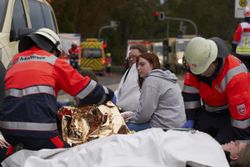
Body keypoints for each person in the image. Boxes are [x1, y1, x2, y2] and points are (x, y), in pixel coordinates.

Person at [0, 28, 114, 157]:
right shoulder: (53, 62)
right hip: (39, 131)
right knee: (69, 156)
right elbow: (87, 90)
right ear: (52, 48)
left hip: (8, 131)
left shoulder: (14, 62)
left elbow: (29, 99)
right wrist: (108, 95)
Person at [182, 36, 250, 144]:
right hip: (208, 112)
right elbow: (190, 95)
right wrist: (191, 118)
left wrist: (242, 142)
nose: (201, 74)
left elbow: (240, 116)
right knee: (195, 143)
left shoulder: (236, 75)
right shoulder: (197, 64)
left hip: (229, 116)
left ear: (214, 61)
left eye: (205, 70)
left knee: (218, 148)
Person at [121, 53, 186, 131]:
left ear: (152, 65)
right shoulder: (166, 77)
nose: (138, 68)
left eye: (142, 65)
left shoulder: (151, 80)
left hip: (163, 126)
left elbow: (144, 115)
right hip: (177, 123)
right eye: (137, 65)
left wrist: (129, 119)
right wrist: (133, 114)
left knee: (124, 129)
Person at [115, 44, 148, 112]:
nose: (131, 59)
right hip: (125, 111)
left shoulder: (147, 72)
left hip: (137, 114)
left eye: (134, 57)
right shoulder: (128, 71)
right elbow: (121, 90)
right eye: (130, 57)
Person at [232, 5, 250, 71]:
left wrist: (233, 49)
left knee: (242, 70)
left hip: (241, 53)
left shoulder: (242, 26)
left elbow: (236, 40)